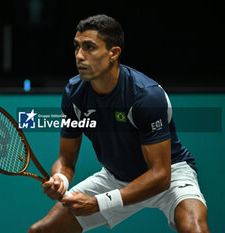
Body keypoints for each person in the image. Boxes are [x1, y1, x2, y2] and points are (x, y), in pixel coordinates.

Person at [28, 14, 209, 233]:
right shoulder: (74, 94)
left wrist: (99, 203)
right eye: (76, 47)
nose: (79, 56)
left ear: (113, 53)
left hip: (169, 175)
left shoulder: (145, 97)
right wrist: (60, 180)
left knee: (195, 229)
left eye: (89, 47)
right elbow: (66, 160)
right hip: (116, 177)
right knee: (42, 231)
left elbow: (160, 175)